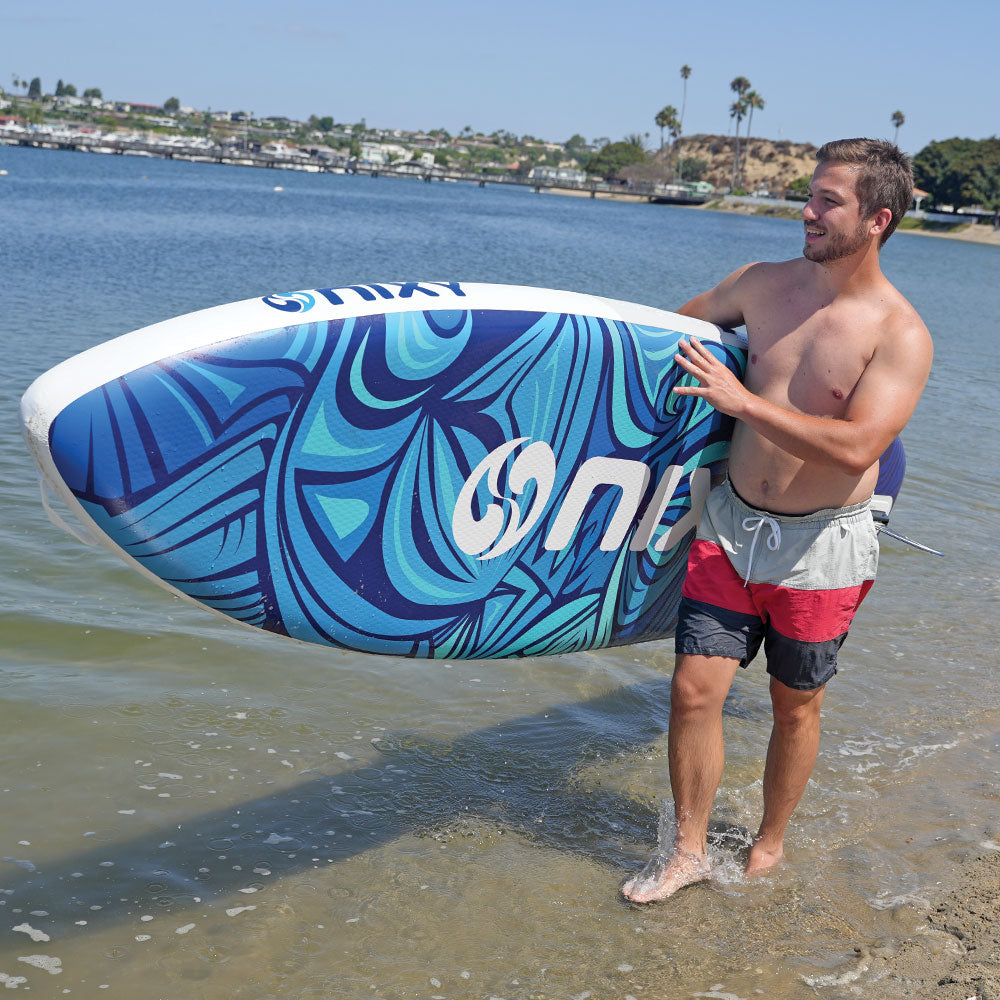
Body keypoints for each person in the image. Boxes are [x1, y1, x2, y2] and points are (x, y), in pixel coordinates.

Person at [622, 138, 933, 903]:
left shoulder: (899, 334)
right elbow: (656, 339)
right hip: (729, 528)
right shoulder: (759, 285)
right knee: (694, 691)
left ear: (878, 220)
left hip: (821, 547)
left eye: (829, 201)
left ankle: (768, 843)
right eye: (810, 195)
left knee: (795, 708)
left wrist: (743, 403)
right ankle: (687, 852)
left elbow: (860, 444)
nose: (807, 211)